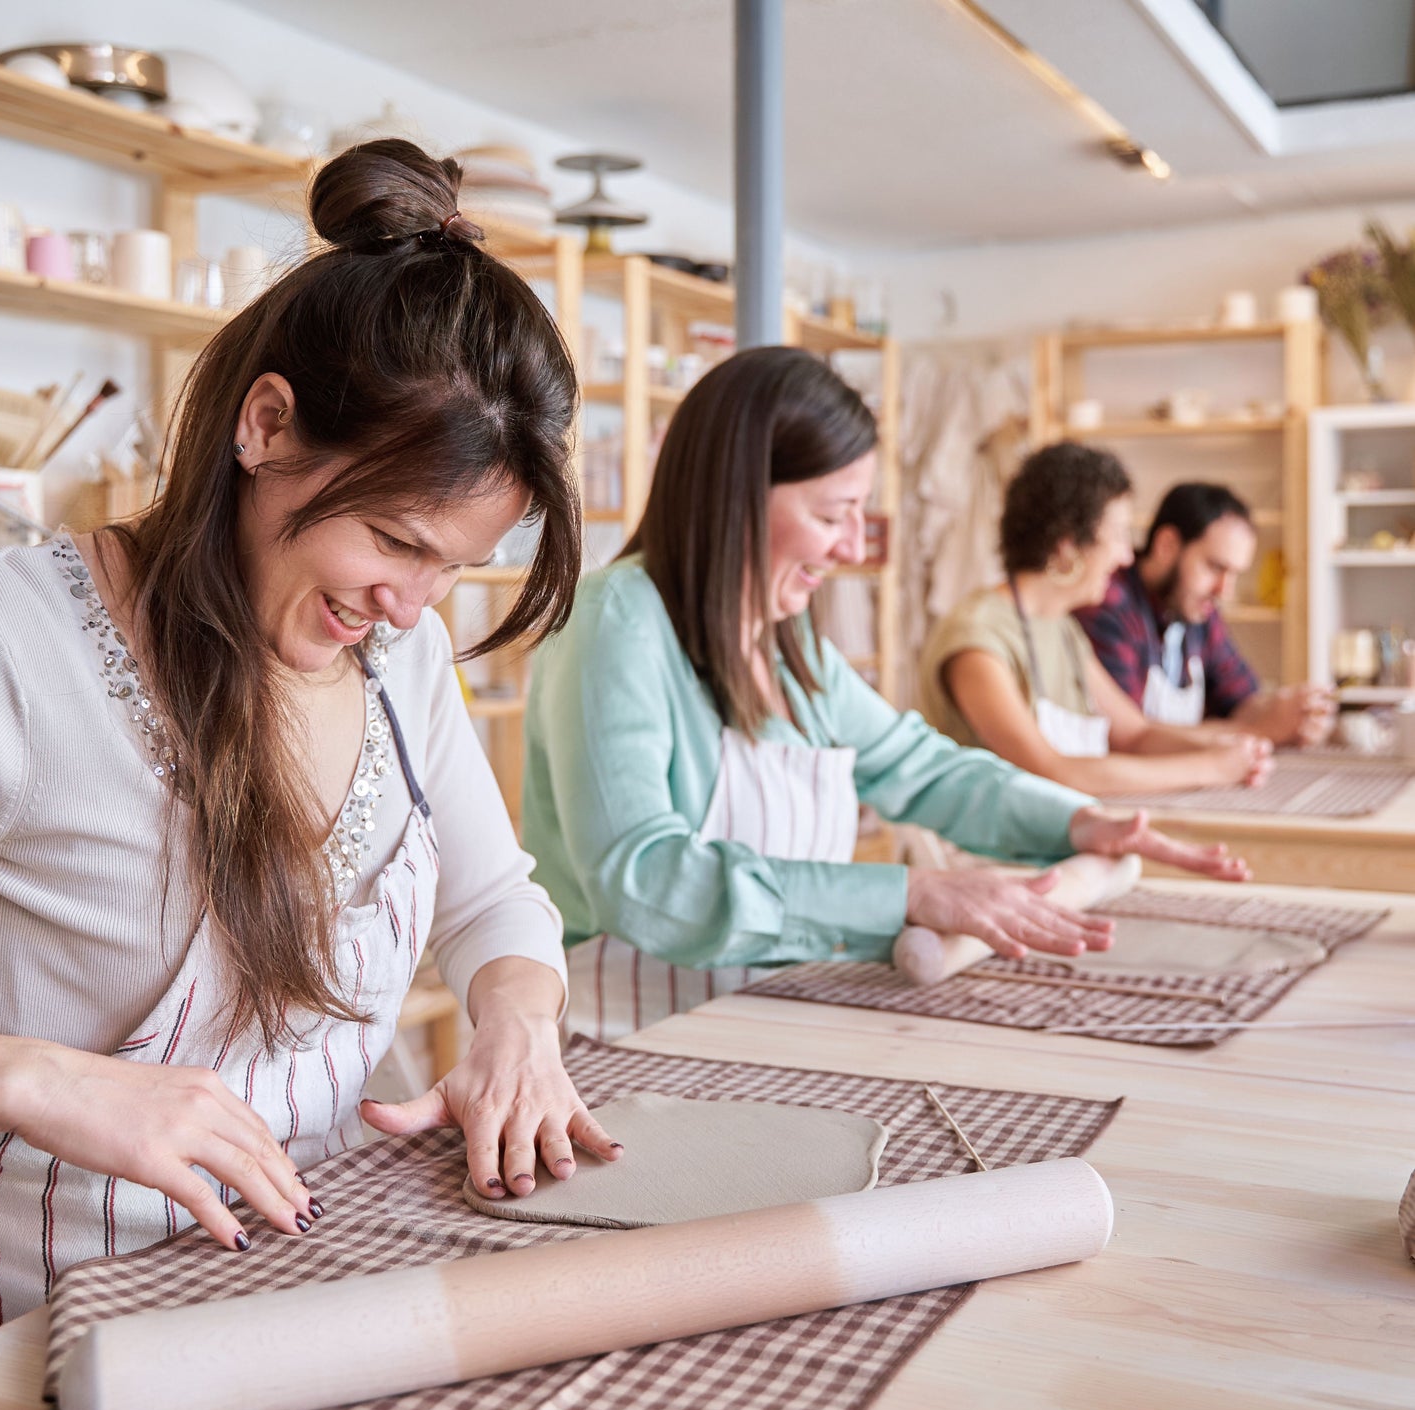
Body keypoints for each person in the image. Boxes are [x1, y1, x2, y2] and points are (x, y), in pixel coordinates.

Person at [0, 141, 622, 1332]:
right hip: (29, 1339)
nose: (413, 605)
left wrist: (516, 1026)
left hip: (303, 1298)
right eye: (392, 539)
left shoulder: (400, 654)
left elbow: (492, 904)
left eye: (457, 568)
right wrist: (28, 1074)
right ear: (266, 424)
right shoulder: (9, 651)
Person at [521, 351, 1247, 1042]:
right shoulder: (614, 622)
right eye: (833, 516)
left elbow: (923, 768)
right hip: (627, 1044)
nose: (851, 548)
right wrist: (907, 894)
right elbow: (643, 878)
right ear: (735, 497)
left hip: (763, 1026)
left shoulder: (786, 641)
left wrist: (1081, 824)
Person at [917, 443, 1273, 797]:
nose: (1125, 557)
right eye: (1118, 534)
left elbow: (1136, 735)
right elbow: (1051, 771)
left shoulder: (1062, 631)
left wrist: (1232, 750)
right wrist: (1210, 768)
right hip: (980, 852)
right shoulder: (977, 639)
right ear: (1066, 546)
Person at [1076, 481, 1335, 746]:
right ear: (1167, 545)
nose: (1225, 591)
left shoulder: (1198, 611)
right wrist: (1259, 731)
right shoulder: (1107, 603)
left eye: (1234, 574)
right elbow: (1130, 736)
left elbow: (1241, 700)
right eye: (1215, 567)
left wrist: (1286, 711)